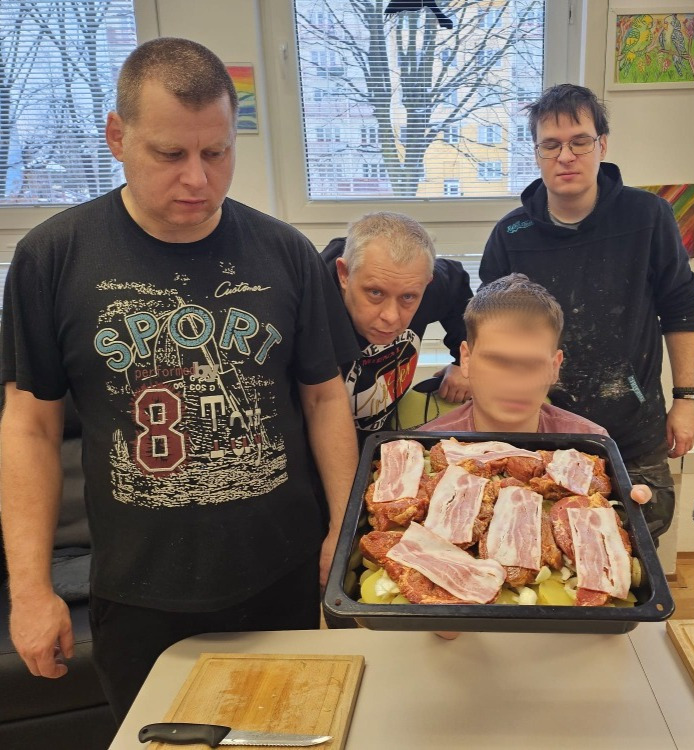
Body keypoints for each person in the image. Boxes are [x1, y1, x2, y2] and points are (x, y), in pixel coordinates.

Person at [0, 38, 359, 723]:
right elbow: (30, 427)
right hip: (139, 593)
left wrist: (343, 535)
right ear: (117, 137)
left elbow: (324, 397)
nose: (197, 178)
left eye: (216, 152)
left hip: (281, 576)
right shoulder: (52, 257)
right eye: (170, 154)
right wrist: (30, 589)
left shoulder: (285, 252)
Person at [479, 84, 694, 540]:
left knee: (634, 545)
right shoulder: (511, 234)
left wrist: (685, 399)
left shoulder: (649, 216)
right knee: (544, 550)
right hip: (542, 432)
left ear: (602, 145)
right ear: (537, 153)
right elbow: (489, 328)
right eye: (551, 145)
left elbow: (680, 308)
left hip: (632, 429)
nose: (566, 156)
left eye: (580, 141)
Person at [421, 274, 652, 499]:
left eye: (532, 364)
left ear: (554, 367)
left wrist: (630, 504)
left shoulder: (590, 443)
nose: (514, 382)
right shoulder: (423, 447)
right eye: (497, 361)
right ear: (466, 359)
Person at [321, 212, 473, 438]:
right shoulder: (309, 304)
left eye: (408, 297)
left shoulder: (421, 281)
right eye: (375, 293)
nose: (391, 317)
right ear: (344, 274)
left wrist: (464, 362)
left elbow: (456, 284)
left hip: (383, 433)